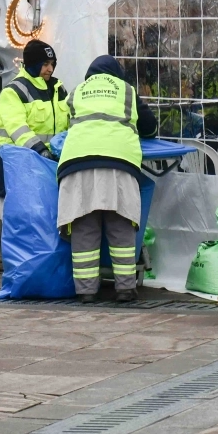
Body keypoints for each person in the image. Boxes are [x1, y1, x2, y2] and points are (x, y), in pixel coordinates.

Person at [55, 55, 156, 303]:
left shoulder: (77, 91)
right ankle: (125, 288)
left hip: (77, 163)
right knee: (121, 224)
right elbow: (150, 127)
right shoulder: (126, 90)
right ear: (117, 74)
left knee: (84, 227)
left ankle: (86, 291)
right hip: (119, 163)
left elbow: (65, 126)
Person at [0, 40, 69, 220]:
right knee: (17, 224)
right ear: (33, 64)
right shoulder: (13, 91)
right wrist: (41, 150)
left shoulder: (58, 89)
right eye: (45, 64)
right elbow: (18, 128)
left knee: (44, 223)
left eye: (52, 64)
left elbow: (69, 122)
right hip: (15, 168)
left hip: (46, 169)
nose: (50, 69)